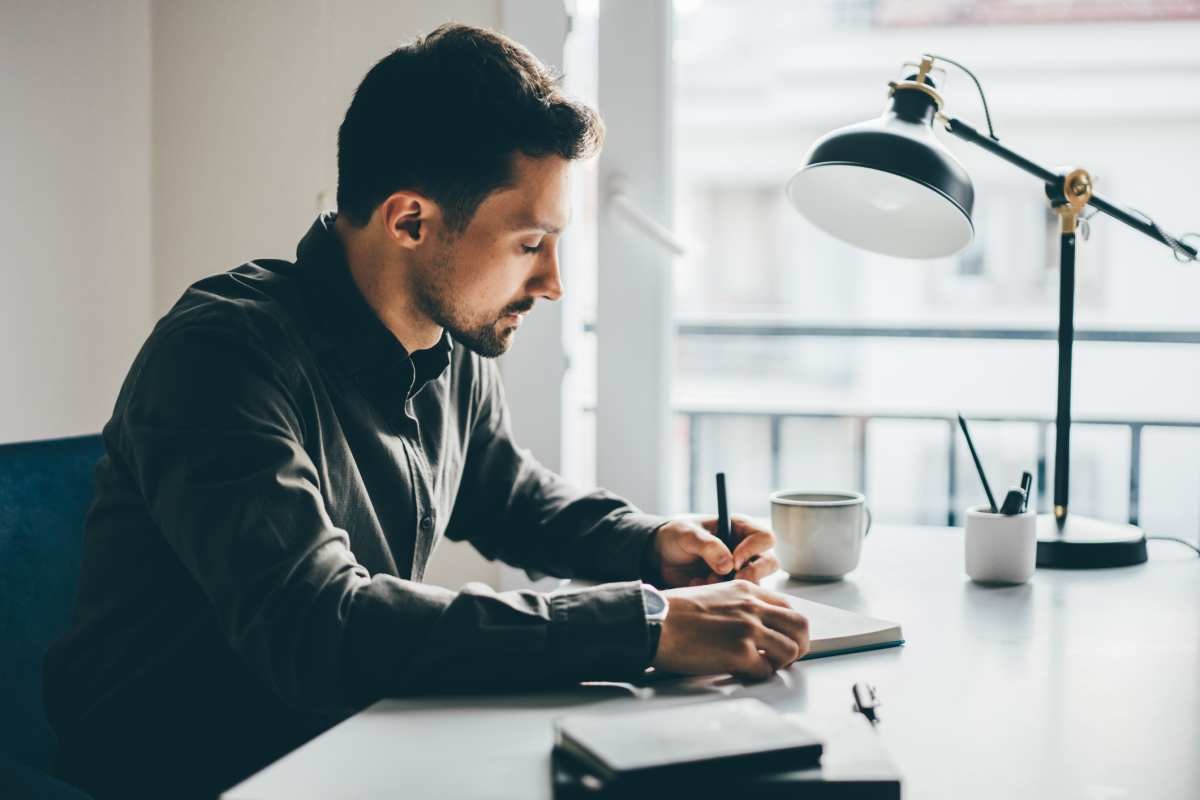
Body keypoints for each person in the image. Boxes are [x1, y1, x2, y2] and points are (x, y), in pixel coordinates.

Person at [43, 23, 810, 800]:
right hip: (194, 772)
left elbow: (512, 498)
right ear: (410, 221)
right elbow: (320, 626)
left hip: (353, 740)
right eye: (529, 243)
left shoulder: (445, 341)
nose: (554, 283)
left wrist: (650, 546)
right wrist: (641, 627)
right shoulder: (220, 356)